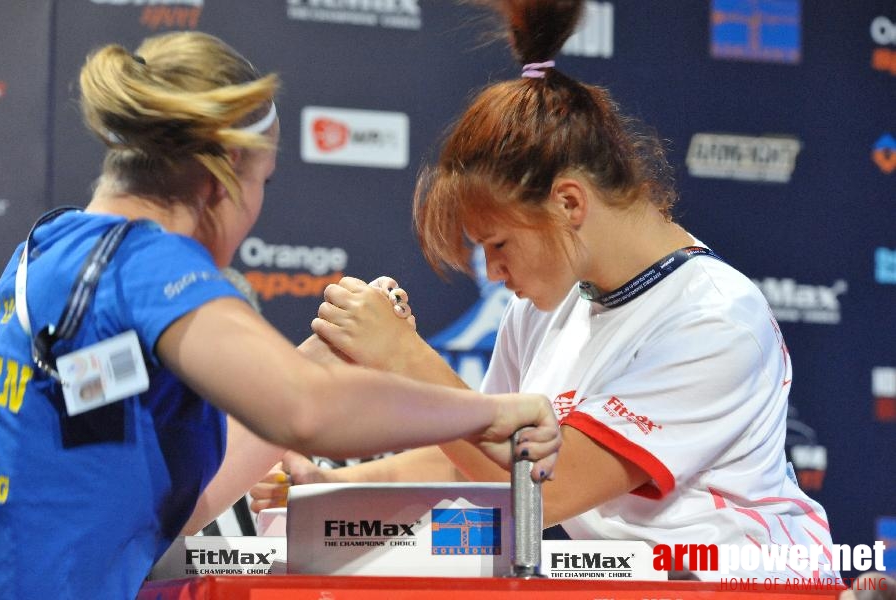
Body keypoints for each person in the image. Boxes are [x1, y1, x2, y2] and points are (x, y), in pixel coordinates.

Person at [251, 0, 839, 582]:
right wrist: (335, 484)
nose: (493, 271)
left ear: (569, 202)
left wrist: (403, 357)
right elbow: (477, 457)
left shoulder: (716, 319)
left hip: (752, 587)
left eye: (498, 244)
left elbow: (542, 493)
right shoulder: (547, 304)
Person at [0, 31, 561, 600]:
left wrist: (323, 357)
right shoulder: (149, 266)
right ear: (229, 170)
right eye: (263, 183)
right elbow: (306, 410)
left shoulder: (50, 251)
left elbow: (173, 502)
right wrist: (485, 413)